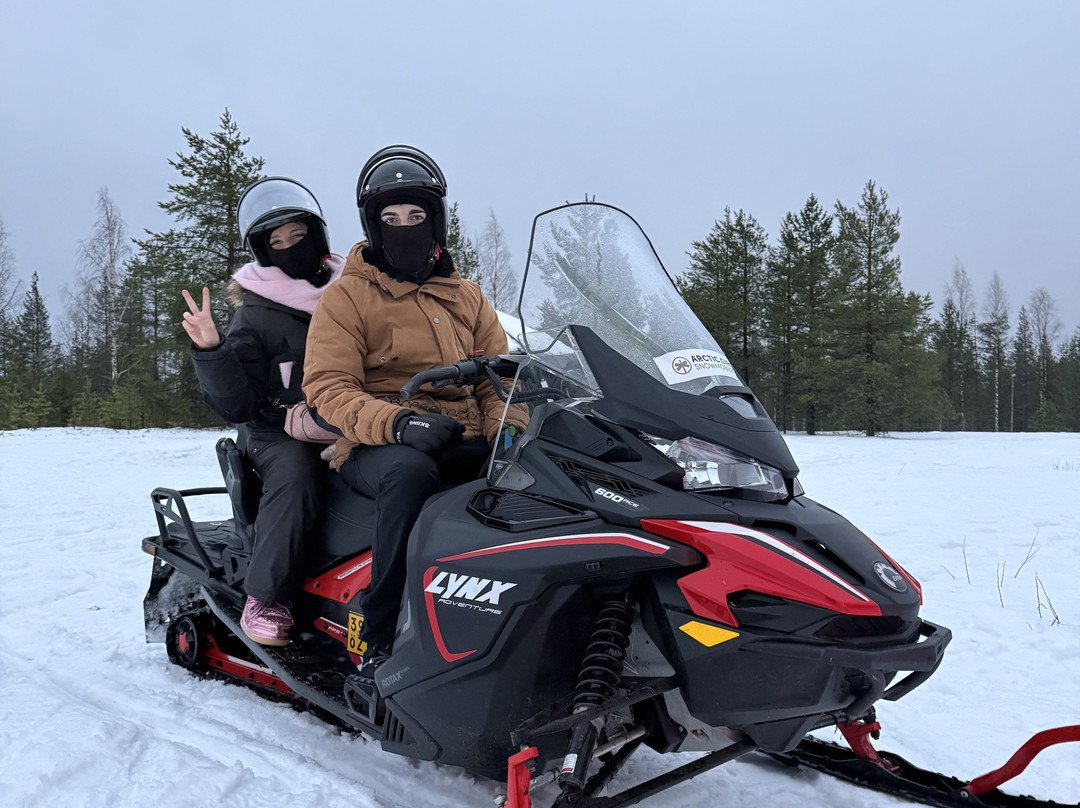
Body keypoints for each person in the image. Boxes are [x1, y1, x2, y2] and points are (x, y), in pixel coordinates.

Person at [303, 145, 525, 666]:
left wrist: (508, 429)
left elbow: (501, 379)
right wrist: (399, 423)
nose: (405, 227)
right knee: (411, 473)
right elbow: (328, 387)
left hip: (464, 435)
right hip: (377, 445)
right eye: (392, 218)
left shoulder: (467, 296)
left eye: (417, 216)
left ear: (437, 221)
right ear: (373, 226)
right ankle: (379, 633)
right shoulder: (348, 298)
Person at [181, 176, 345, 647]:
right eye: (278, 242)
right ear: (264, 252)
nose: (292, 247)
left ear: (318, 237)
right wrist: (212, 350)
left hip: (345, 415)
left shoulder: (350, 292)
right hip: (276, 429)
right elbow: (239, 404)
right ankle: (267, 597)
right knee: (299, 474)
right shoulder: (256, 314)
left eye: (299, 236)